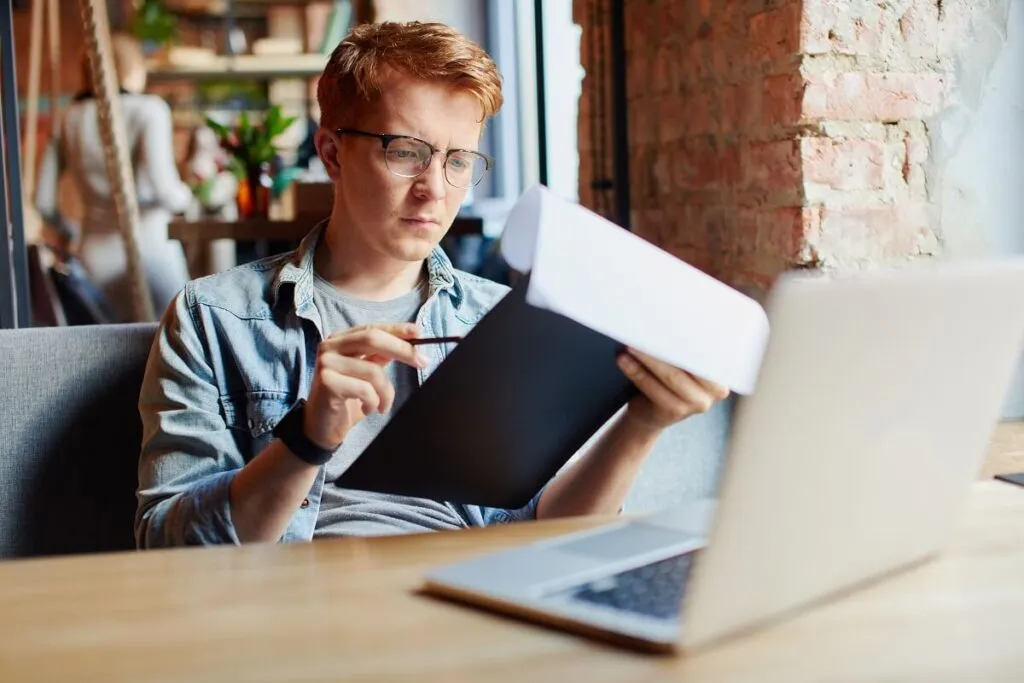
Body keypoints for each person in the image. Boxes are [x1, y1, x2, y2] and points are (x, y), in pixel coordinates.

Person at [134, 21, 729, 548]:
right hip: (291, 610)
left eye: (458, 160)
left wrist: (642, 422)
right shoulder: (212, 317)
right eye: (407, 152)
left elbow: (544, 534)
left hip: (466, 603)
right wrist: (307, 439)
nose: (435, 189)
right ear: (332, 153)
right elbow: (169, 548)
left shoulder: (500, 321)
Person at [35, 32, 193, 323]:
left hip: (93, 254)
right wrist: (191, 194)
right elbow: (166, 190)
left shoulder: (67, 119)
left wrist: (70, 232)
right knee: (173, 343)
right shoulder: (150, 110)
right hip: (150, 250)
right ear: (134, 69)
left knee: (107, 352)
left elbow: (43, 202)